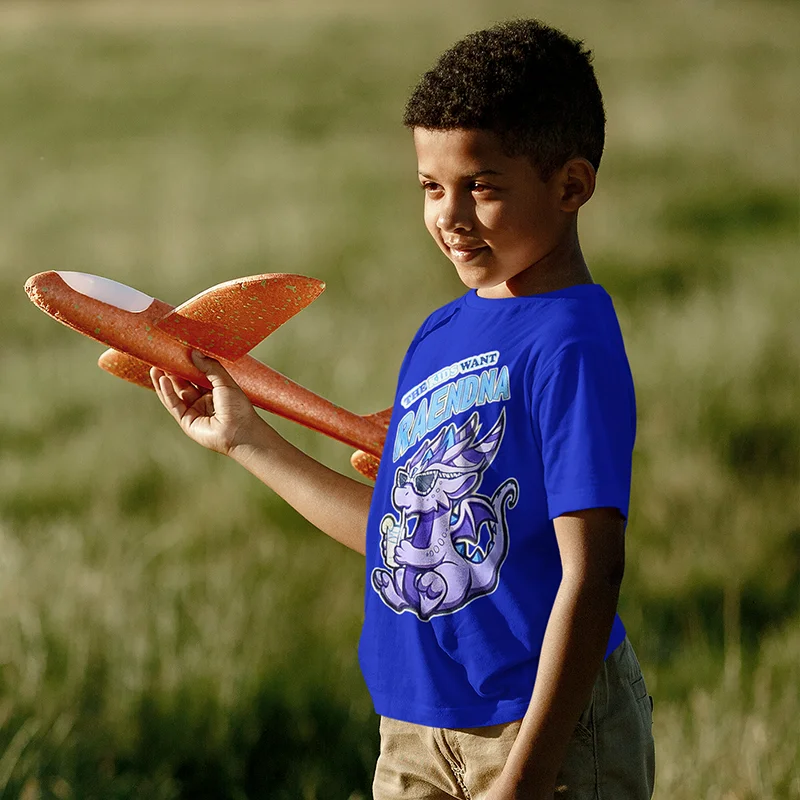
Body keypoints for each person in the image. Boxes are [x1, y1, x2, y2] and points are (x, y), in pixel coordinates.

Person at [150, 18, 655, 800]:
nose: (448, 216)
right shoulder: (441, 333)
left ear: (571, 185)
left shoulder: (569, 345)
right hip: (414, 733)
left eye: (481, 186)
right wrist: (249, 441)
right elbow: (398, 541)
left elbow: (593, 574)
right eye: (430, 186)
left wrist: (526, 778)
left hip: (538, 733)